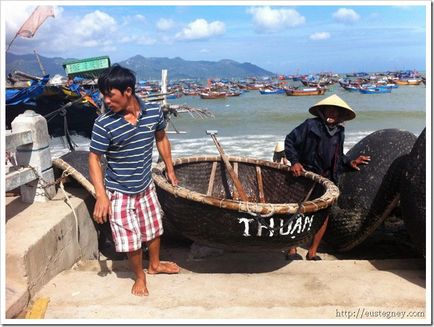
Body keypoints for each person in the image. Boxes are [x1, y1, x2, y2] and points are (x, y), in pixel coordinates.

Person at [88, 64, 180, 297]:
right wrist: (101, 195)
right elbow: (94, 158)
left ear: (127, 91)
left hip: (145, 185)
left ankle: (155, 266)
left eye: (110, 95)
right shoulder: (104, 124)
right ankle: (140, 277)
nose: (106, 100)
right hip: (119, 190)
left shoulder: (154, 112)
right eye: (104, 96)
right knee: (130, 239)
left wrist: (170, 169)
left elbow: (161, 138)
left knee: (153, 228)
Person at [284, 94, 370, 261]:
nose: (332, 114)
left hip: (328, 179)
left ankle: (312, 252)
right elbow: (290, 141)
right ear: (322, 112)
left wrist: (350, 162)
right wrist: (294, 161)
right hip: (306, 176)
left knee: (323, 216)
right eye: (328, 110)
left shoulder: (339, 132)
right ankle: (292, 249)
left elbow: (338, 156)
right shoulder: (310, 125)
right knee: (298, 211)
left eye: (335, 112)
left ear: (340, 115)